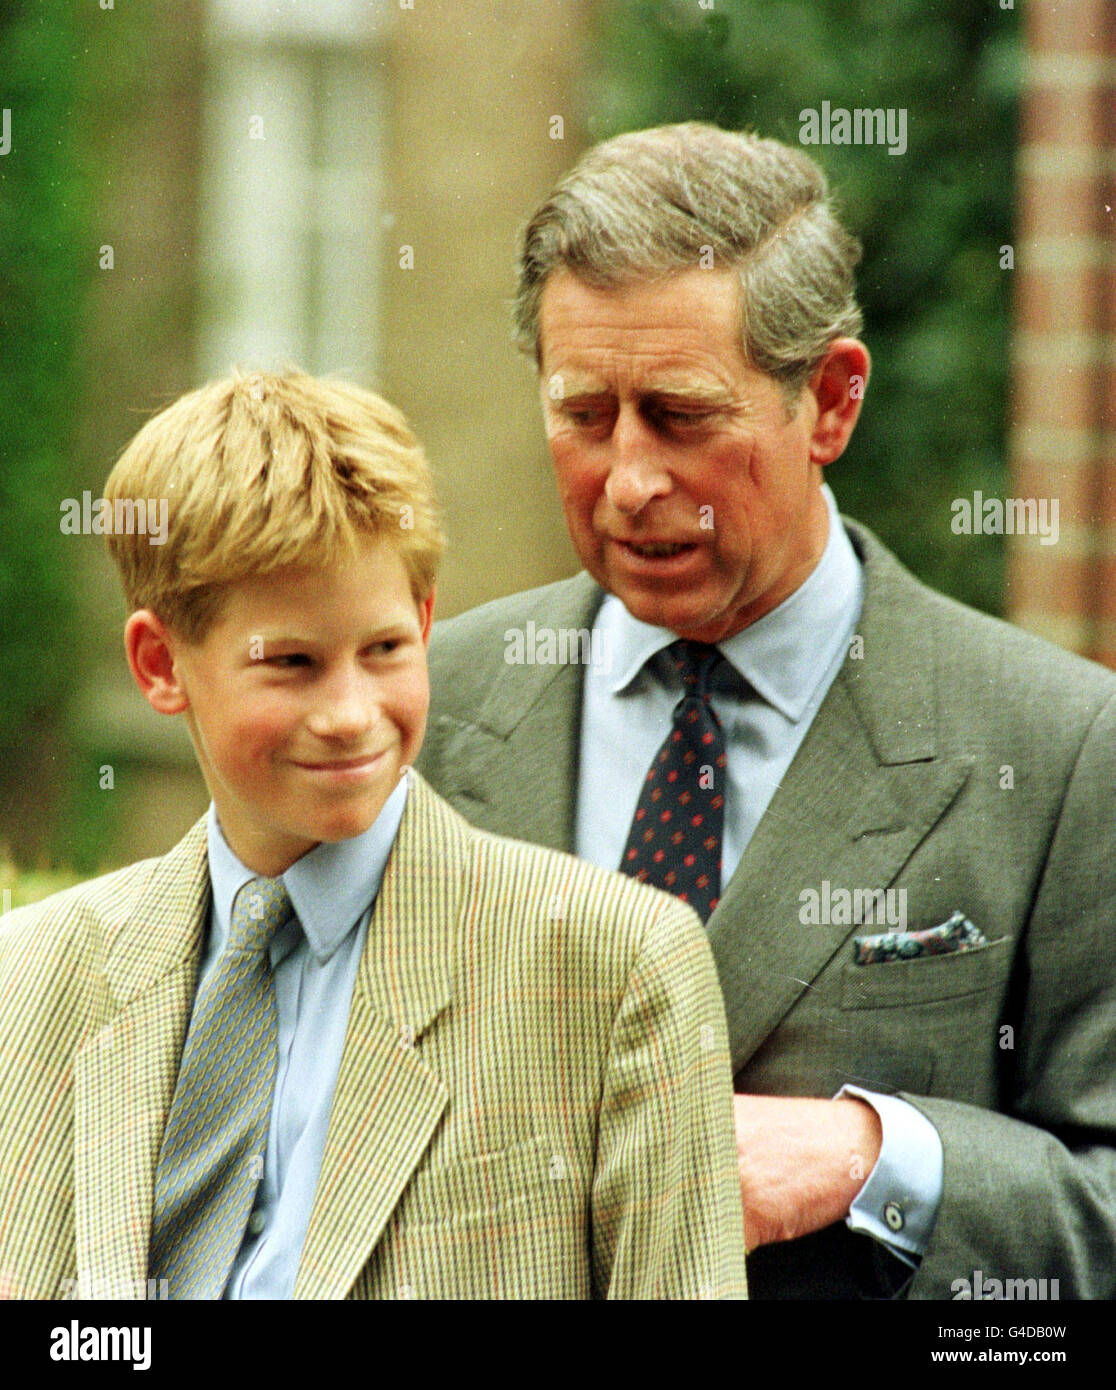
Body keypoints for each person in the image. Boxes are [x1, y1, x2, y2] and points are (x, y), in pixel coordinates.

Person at [417, 123, 1116, 1298]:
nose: (631, 481)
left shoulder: (1059, 748)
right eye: (584, 415)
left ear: (831, 402)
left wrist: (878, 1157)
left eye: (682, 415)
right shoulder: (431, 709)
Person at [0, 369, 747, 1300]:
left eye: (385, 649)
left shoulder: (612, 965)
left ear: (426, 619)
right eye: (294, 664)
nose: (351, 714)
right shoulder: (30, 980)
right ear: (161, 665)